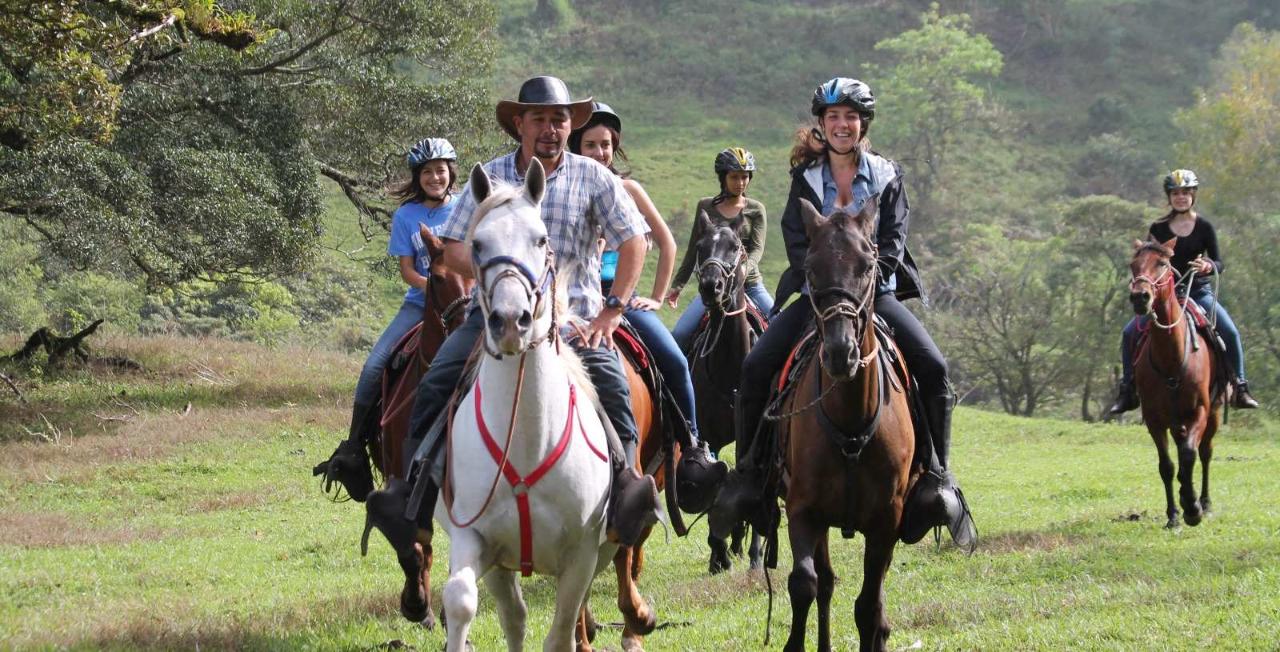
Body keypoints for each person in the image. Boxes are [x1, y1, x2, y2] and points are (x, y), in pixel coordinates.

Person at [363, 76, 665, 558]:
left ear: (572, 125)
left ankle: (628, 487)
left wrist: (614, 309)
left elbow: (635, 241)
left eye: (560, 119)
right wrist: (499, 270)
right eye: (540, 119)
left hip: (577, 319)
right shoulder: (492, 177)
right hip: (495, 316)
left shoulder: (595, 177)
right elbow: (456, 247)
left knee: (614, 382)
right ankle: (414, 496)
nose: (551, 128)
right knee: (438, 379)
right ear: (519, 124)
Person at [714, 77, 976, 548]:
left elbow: (893, 242)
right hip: (818, 299)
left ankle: (937, 477)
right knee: (755, 368)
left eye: (850, 117)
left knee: (933, 367)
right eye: (833, 117)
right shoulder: (805, 180)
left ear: (862, 124)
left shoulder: (887, 175)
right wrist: (826, 288)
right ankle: (750, 476)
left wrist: (865, 284)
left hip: (875, 296)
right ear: (821, 124)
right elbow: (798, 242)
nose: (842, 125)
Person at [569, 102, 727, 512]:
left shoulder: (629, 190)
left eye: (606, 144)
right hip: (575, 301)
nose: (599, 152)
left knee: (673, 359)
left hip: (621, 299)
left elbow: (667, 242)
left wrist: (655, 297)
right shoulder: (566, 189)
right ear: (576, 146)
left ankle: (692, 446)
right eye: (590, 145)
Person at [313, 137, 460, 502]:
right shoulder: (406, 216)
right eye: (427, 172)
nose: (434, 177)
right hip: (420, 304)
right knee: (374, 364)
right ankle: (353, 446)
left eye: (440, 170)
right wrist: (435, 288)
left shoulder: (464, 209)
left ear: (451, 173)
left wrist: (453, 292)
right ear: (417, 177)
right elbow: (407, 271)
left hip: (462, 304)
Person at [1108, 169, 1259, 414]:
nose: (1181, 197)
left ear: (1193, 195)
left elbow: (1219, 262)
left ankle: (1240, 387)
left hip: (1198, 292)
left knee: (1230, 331)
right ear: (1169, 197)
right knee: (1129, 333)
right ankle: (1127, 390)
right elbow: (1147, 260)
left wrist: (1208, 266)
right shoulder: (1157, 227)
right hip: (1164, 296)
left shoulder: (1205, 227)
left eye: (1186, 193)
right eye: (1176, 193)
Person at [667, 148, 773, 350]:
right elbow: (693, 250)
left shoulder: (756, 209)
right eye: (734, 177)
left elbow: (757, 249)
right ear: (723, 177)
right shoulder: (706, 206)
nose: (740, 183)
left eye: (744, 177)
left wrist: (744, 270)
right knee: (680, 334)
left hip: (749, 283)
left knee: (778, 325)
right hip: (714, 284)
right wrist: (678, 285)